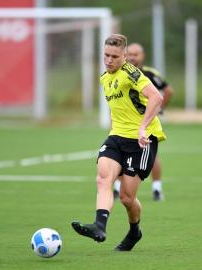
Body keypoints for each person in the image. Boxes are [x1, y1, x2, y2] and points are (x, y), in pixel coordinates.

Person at [71, 34, 166, 251]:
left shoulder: (131, 73)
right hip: (117, 137)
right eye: (106, 55)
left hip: (142, 141)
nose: (109, 60)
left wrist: (142, 128)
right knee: (103, 178)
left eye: (114, 56)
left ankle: (135, 232)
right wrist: (113, 134)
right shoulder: (105, 77)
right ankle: (99, 226)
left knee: (126, 197)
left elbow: (157, 98)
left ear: (124, 56)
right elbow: (118, 109)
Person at [113, 43, 173, 201]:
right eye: (130, 54)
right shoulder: (120, 73)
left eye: (136, 54)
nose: (132, 57)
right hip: (125, 124)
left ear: (143, 56)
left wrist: (159, 110)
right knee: (120, 153)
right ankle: (118, 188)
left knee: (152, 155)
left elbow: (167, 90)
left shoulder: (149, 74)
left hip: (145, 124)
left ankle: (157, 188)